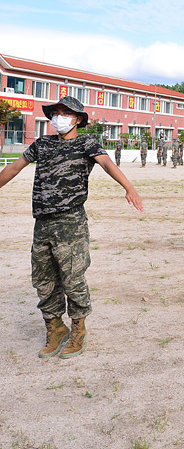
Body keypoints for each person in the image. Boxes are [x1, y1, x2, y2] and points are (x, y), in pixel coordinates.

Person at [0, 96, 144, 359]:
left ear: (78, 119)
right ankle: (54, 328)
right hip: (42, 222)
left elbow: (107, 164)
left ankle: (78, 329)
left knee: (72, 278)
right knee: (43, 279)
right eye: (56, 112)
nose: (59, 117)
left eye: (66, 113)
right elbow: (14, 167)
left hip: (70, 223)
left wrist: (129, 188)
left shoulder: (86, 142)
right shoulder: (42, 144)